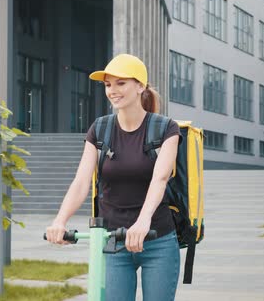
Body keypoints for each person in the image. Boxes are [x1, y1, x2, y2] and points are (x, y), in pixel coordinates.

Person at [45, 54, 181, 300]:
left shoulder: (166, 128)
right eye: (108, 84)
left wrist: (142, 222)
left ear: (140, 86)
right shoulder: (100, 128)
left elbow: (160, 179)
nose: (112, 90)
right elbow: (81, 181)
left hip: (156, 238)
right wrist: (60, 221)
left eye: (121, 83)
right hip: (112, 240)